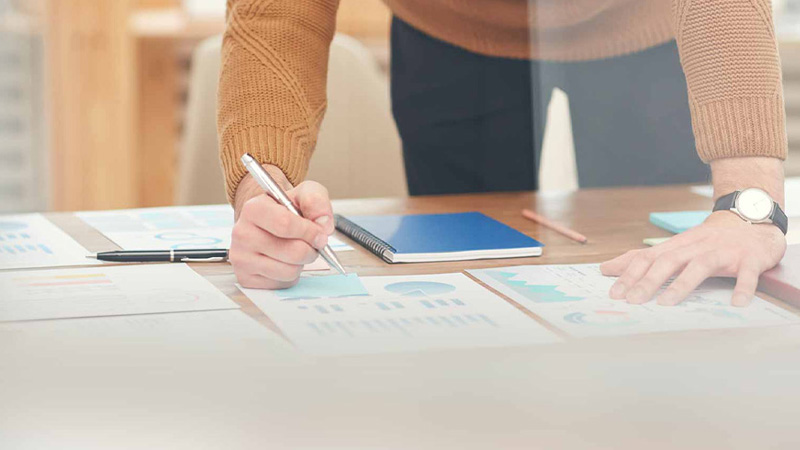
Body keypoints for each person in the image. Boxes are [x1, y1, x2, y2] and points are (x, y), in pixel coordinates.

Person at [218, 0, 789, 307]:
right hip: (451, 23)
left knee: (670, 269)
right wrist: (262, 190)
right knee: (458, 282)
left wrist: (749, 206)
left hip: (639, 21)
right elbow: (276, 13)